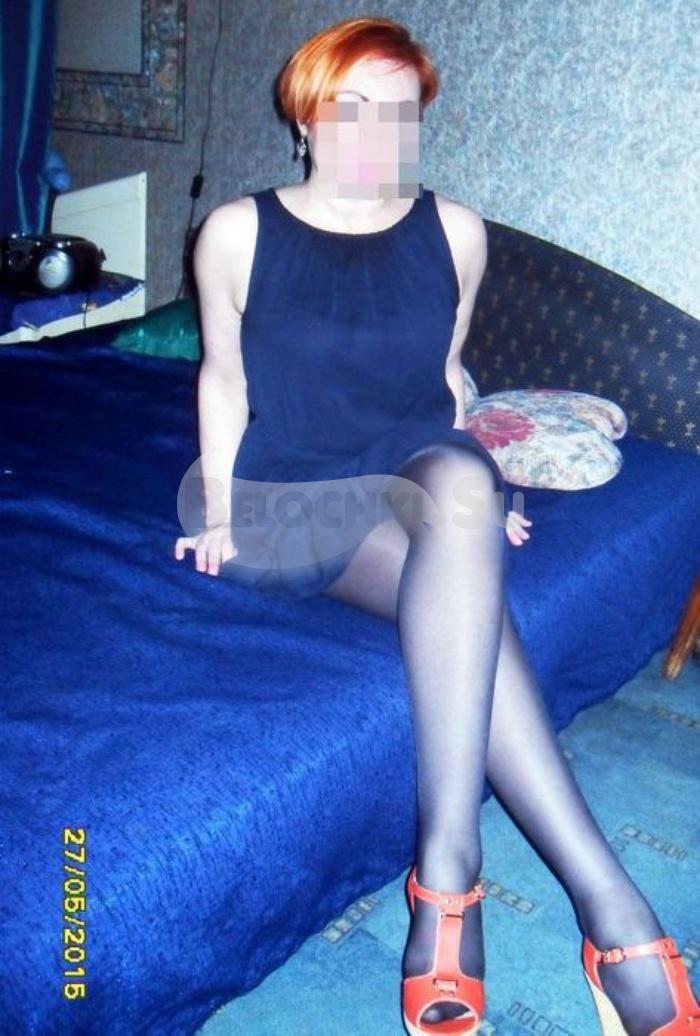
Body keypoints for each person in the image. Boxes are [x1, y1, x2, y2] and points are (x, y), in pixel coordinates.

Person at [174, 16, 700, 1036]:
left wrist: (481, 500)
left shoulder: (455, 231)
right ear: (304, 117)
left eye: (400, 113)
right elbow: (223, 378)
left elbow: (445, 379)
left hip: (416, 465)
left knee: (462, 484)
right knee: (471, 598)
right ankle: (613, 912)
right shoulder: (236, 231)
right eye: (350, 109)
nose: (376, 134)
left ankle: (447, 875)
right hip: (290, 485)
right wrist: (226, 509)